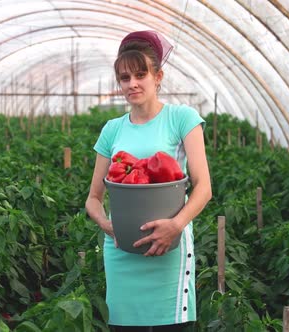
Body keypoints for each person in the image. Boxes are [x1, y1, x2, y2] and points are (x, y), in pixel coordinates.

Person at [84, 30, 212, 331]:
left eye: (140, 75)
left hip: (168, 247)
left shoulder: (181, 118)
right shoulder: (112, 130)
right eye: (125, 78)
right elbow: (93, 197)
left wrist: (176, 226)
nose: (133, 84)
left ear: (158, 77)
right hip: (121, 250)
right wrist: (107, 225)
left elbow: (203, 187)